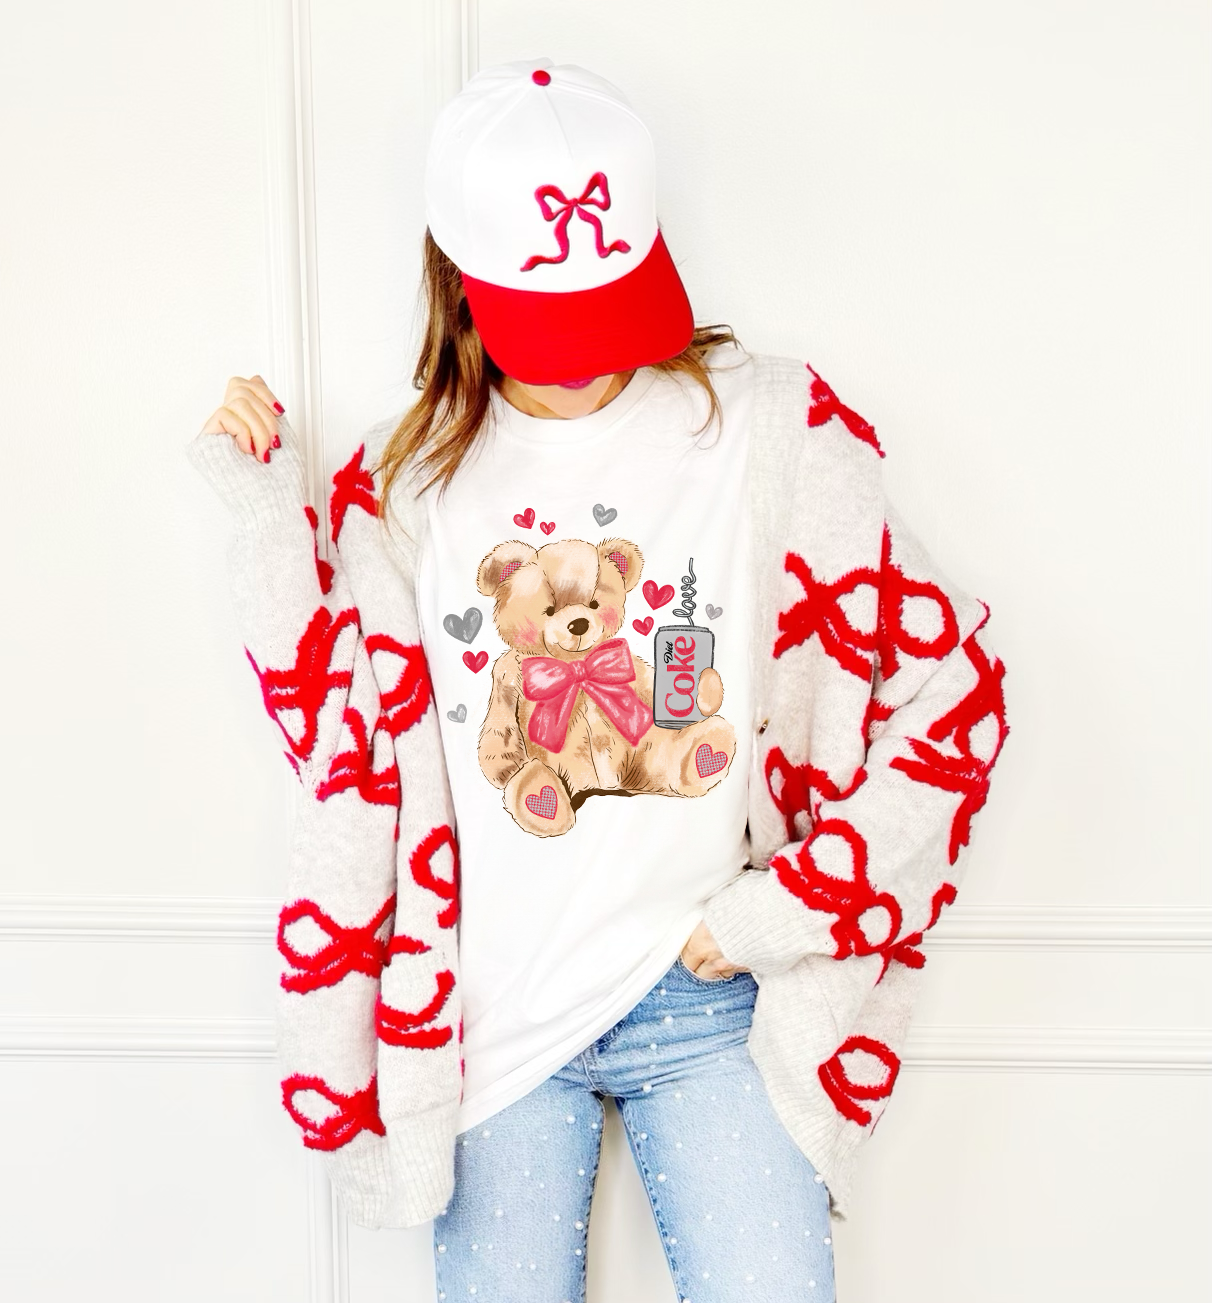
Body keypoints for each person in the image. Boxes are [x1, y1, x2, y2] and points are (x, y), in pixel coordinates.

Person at [189, 59, 1009, 1303]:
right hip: (497, 1021)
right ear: (461, 282)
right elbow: (335, 738)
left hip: (709, 998)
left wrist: (777, 915)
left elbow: (956, 696)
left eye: (607, 309)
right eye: (548, 323)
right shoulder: (405, 489)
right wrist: (261, 510)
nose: (582, 364)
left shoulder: (768, 431)